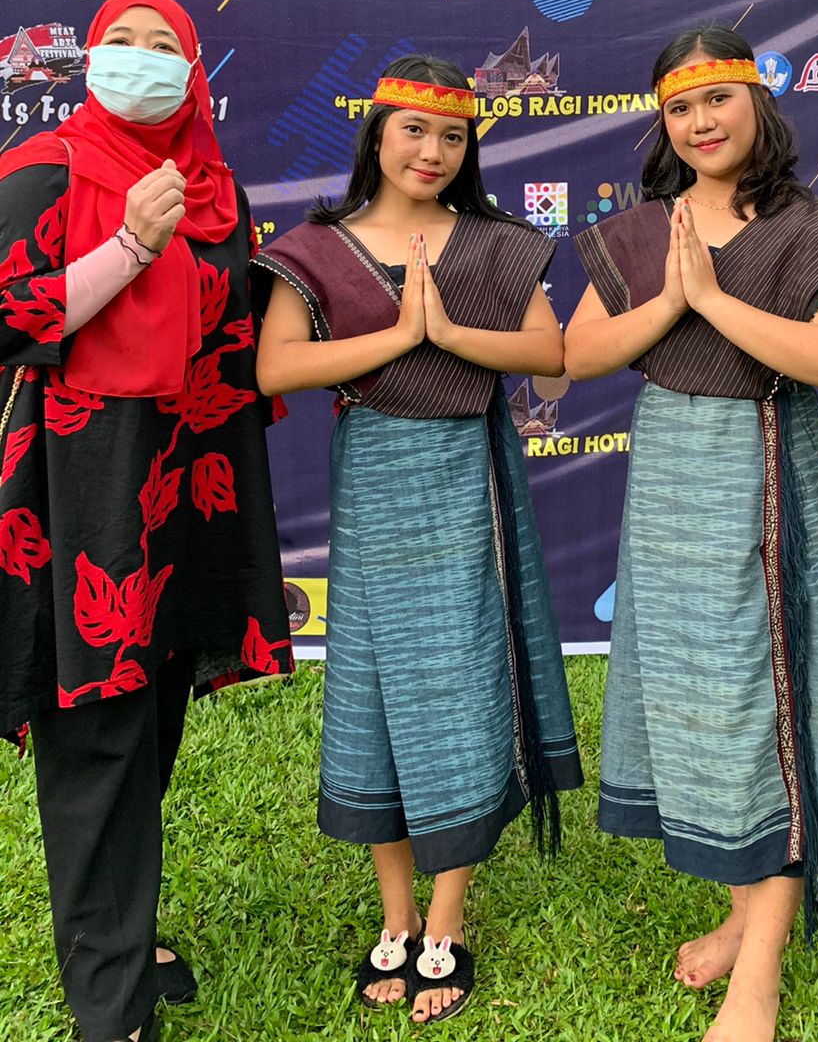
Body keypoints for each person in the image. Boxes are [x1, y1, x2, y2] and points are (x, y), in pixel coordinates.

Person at [564, 25, 818, 1042]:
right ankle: (744, 908)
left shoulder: (802, 225)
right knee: (704, 697)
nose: (701, 122)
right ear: (664, 121)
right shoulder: (642, 227)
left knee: (772, 699)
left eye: (718, 100)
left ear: (757, 102)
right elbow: (576, 352)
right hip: (668, 483)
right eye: (680, 107)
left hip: (763, 476)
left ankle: (761, 978)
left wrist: (711, 298)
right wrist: (670, 296)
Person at [254, 55, 581, 1024]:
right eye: (414, 130)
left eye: (453, 135)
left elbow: (551, 357)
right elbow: (276, 368)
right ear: (377, 133)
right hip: (375, 491)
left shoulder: (495, 243)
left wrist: (445, 329)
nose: (433, 151)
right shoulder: (317, 246)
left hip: (466, 482)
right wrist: (398, 335)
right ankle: (393, 918)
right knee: (374, 695)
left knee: (464, 688)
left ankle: (447, 921)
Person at [0, 0, 293, 1042]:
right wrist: (128, 243)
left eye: (162, 47)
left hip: (194, 486)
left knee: (152, 718)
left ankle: (123, 928)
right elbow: (6, 314)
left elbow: (242, 331)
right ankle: (108, 1006)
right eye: (119, 43)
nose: (139, 62)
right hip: (88, 493)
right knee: (97, 739)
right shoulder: (49, 165)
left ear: (195, 69)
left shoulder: (218, 190)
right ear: (88, 59)